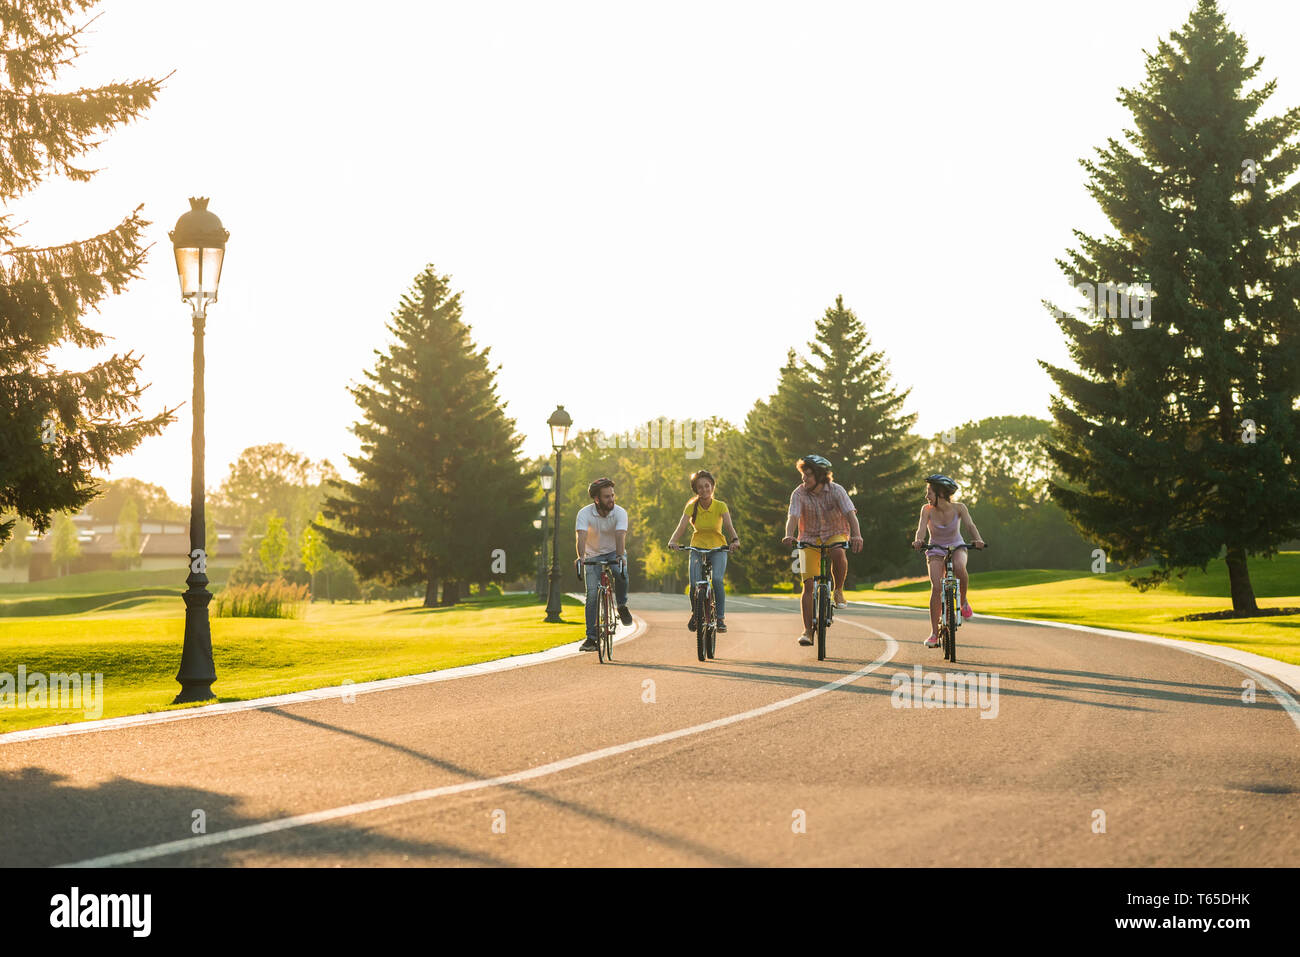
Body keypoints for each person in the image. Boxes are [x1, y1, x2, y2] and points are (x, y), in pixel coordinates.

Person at [780, 454, 863, 646]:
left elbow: (850, 514)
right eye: (803, 474)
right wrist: (788, 534)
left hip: (836, 532)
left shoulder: (837, 491)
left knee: (838, 552)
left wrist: (857, 535)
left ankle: (839, 589)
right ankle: (808, 631)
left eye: (808, 475)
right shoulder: (798, 493)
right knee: (808, 584)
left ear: (819, 475)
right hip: (808, 537)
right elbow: (792, 517)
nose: (804, 479)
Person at [911, 473, 985, 648]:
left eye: (929, 492)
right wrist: (918, 541)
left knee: (959, 566)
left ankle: (964, 601)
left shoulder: (959, 508)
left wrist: (978, 539)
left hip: (957, 546)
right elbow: (921, 529)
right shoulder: (926, 510)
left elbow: (970, 525)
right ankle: (934, 634)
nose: (926, 496)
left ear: (941, 493)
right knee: (936, 587)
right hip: (935, 549)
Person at [666, 469, 741, 633]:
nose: (704, 490)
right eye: (700, 487)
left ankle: (720, 618)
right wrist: (673, 541)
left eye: (707, 486)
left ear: (712, 486)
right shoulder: (691, 507)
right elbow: (682, 526)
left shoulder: (720, 506)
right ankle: (696, 613)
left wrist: (735, 540)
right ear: (696, 490)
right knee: (694, 584)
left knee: (718, 580)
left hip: (718, 548)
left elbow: (728, 526)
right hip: (697, 548)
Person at [574, 477, 633, 652]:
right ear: (597, 499)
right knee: (592, 595)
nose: (612, 500)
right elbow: (581, 537)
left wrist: (621, 556)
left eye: (613, 495)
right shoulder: (584, 513)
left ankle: (621, 605)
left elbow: (620, 535)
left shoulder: (620, 512)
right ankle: (591, 638)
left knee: (620, 572)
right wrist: (581, 557)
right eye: (607, 497)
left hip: (614, 551)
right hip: (592, 555)